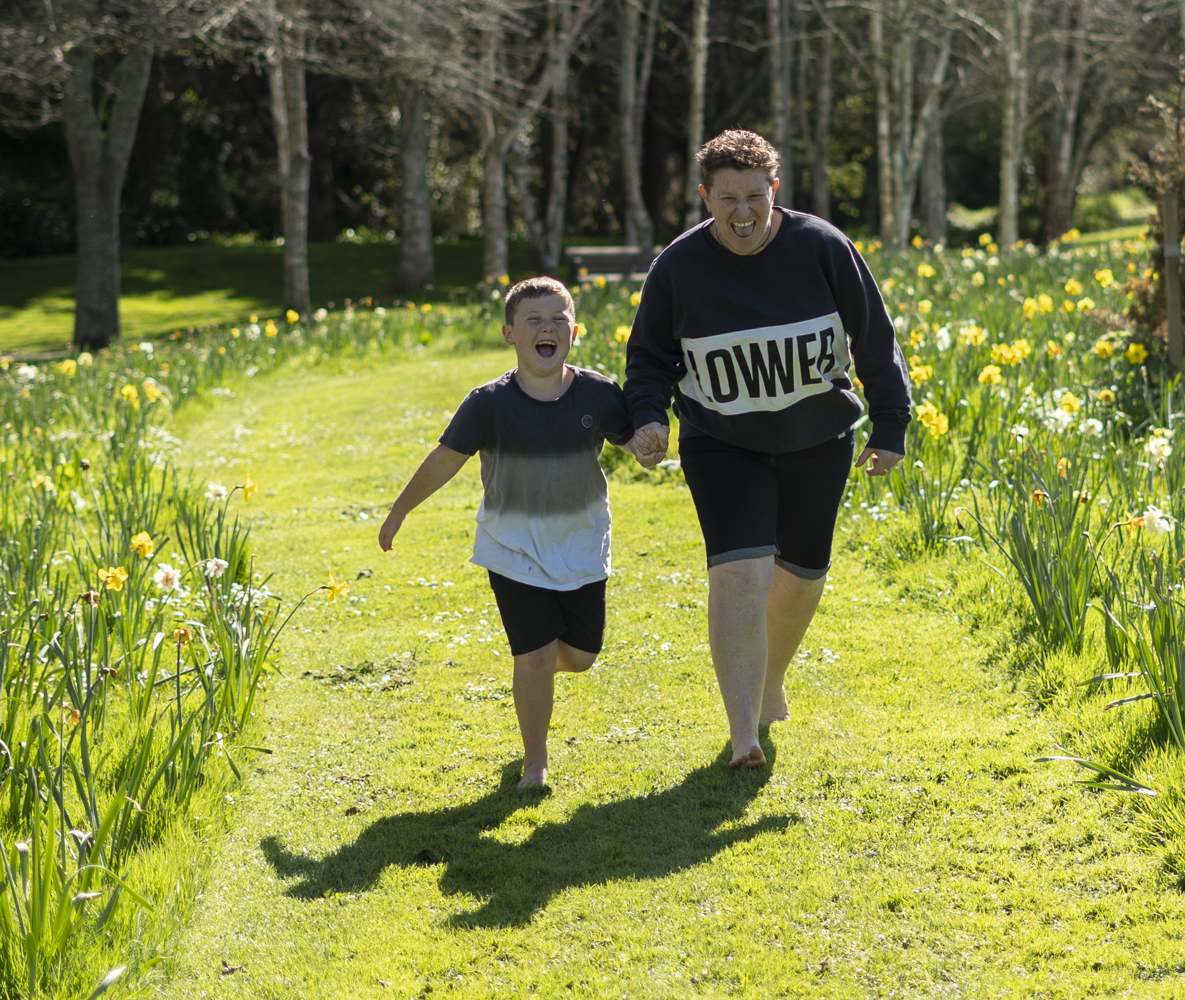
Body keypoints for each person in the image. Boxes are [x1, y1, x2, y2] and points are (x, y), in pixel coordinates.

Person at [624, 129, 912, 771]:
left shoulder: (822, 247)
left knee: (803, 574)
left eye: (755, 196)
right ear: (705, 197)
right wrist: (648, 417)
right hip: (723, 441)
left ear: (774, 191)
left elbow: (874, 338)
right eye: (727, 199)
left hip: (816, 437)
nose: (743, 212)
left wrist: (891, 424)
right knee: (740, 573)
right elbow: (648, 359)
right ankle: (743, 734)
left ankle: (770, 677)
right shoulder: (679, 267)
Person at [380, 276, 644, 788]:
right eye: (533, 319)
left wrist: (651, 443)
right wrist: (400, 511)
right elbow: (444, 460)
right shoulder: (488, 404)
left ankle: (534, 672)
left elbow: (634, 440)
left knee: (583, 656)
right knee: (537, 653)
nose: (547, 328)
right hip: (512, 548)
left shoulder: (598, 392)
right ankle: (535, 762)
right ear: (509, 334)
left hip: (582, 543)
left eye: (558, 319)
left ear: (574, 331)